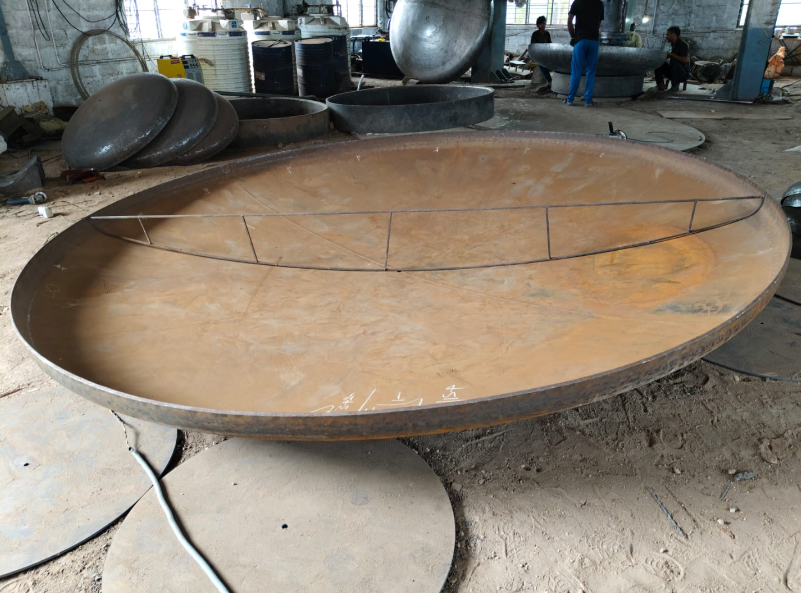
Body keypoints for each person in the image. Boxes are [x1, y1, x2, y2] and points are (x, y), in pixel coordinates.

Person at [565, 0, 604, 106]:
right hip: (594, 41)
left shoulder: (577, 2)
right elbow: (598, 23)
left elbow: (569, 22)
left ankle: (570, 99)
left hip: (580, 40)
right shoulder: (599, 3)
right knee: (590, 72)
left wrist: (573, 37)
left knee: (576, 71)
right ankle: (588, 101)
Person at [655, 26, 690, 91]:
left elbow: (686, 60)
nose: (666, 37)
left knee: (674, 63)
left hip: (682, 74)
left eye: (668, 35)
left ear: (673, 34)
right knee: (658, 63)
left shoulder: (683, 44)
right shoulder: (673, 44)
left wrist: (672, 55)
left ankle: (675, 86)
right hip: (673, 73)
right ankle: (660, 84)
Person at [530, 16, 552, 84]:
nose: (544, 25)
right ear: (538, 25)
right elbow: (533, 46)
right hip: (537, 54)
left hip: (545, 53)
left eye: (544, 23)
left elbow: (550, 44)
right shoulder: (535, 34)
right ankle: (550, 80)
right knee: (542, 64)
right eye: (542, 23)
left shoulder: (547, 34)